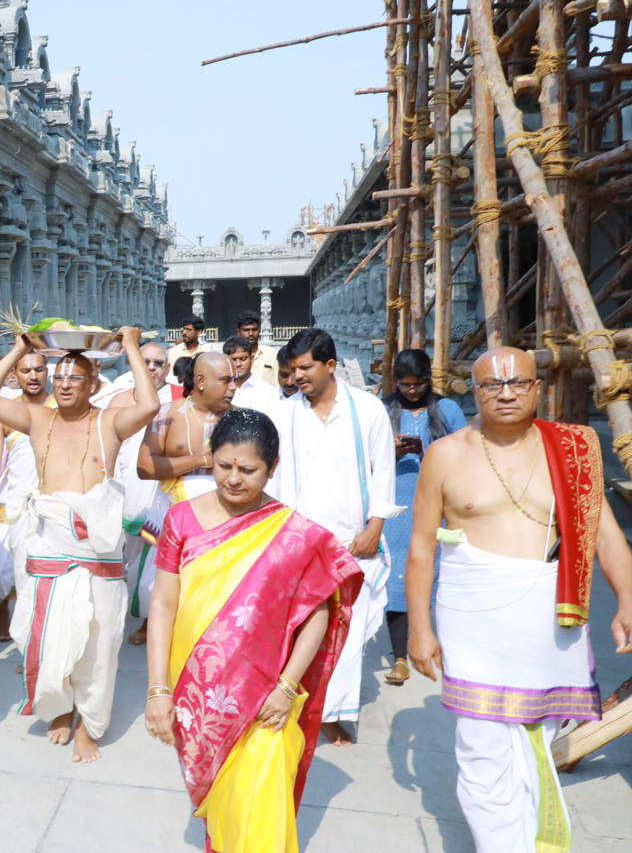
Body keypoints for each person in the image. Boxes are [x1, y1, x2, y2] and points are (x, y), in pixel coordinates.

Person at [407, 347, 632, 853]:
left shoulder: (574, 448)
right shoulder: (446, 453)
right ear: (474, 390)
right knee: (482, 746)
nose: (505, 394)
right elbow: (422, 547)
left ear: (537, 388)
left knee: (536, 739)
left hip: (548, 618)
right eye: (491, 385)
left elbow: (604, 534)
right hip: (473, 619)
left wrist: (628, 599)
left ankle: (531, 838)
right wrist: (419, 630)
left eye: (517, 384)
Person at [145, 408, 362, 853]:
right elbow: (164, 605)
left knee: (257, 809)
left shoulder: (293, 533)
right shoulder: (181, 520)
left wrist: (287, 686)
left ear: (272, 469)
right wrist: (157, 691)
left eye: (248, 470)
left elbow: (316, 613)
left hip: (265, 697)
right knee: (222, 799)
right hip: (196, 691)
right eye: (223, 466)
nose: (233, 479)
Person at [0, 328, 159, 763]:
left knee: (100, 637)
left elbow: (149, 404)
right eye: (60, 377)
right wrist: (18, 351)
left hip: (98, 550)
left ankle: (89, 724)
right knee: (52, 633)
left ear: (93, 383)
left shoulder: (109, 421)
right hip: (49, 544)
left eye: (75, 377)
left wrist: (131, 346)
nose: (64, 384)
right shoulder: (37, 418)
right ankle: (61, 708)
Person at [269, 328, 401, 747]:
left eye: (306, 367)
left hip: (355, 542)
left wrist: (374, 527)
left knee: (350, 634)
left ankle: (330, 712)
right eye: (293, 369)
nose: (298, 376)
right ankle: (305, 708)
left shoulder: (367, 409)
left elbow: (384, 470)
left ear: (330, 365)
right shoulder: (284, 413)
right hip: (299, 544)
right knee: (302, 632)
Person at [379, 349, 466, 685]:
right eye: (405, 384)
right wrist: (392, 450)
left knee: (444, 575)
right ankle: (400, 656)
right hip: (397, 509)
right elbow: (368, 457)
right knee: (397, 577)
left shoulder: (448, 409)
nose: (412, 391)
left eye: (418, 385)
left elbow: (463, 455)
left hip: (440, 509)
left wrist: (426, 452)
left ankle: (441, 646)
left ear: (429, 379)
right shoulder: (384, 409)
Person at [97, 342, 173, 645]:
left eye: (158, 363)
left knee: (150, 568)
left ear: (167, 367)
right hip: (120, 490)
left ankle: (146, 621)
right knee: (118, 560)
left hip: (156, 496)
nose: (152, 368)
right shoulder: (116, 398)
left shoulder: (179, 399)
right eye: (146, 362)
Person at [0, 351, 50, 641]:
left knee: (47, 579)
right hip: (18, 508)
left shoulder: (61, 408)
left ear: (47, 372)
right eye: (25, 370)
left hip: (54, 507)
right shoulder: (4, 412)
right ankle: (25, 638)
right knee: (15, 572)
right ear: (13, 376)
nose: (33, 376)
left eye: (39, 369)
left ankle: (40, 641)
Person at [137, 352, 236, 504]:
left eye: (234, 380)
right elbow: (144, 467)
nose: (233, 387)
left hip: (224, 515)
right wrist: (201, 460)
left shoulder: (241, 419)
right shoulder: (167, 414)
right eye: (226, 381)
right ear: (201, 381)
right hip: (171, 513)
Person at [223, 334, 275, 414]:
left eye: (243, 359)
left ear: (252, 359)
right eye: (233, 360)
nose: (238, 364)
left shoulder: (268, 392)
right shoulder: (220, 391)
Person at [238, 310, 279, 387]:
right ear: (238, 332)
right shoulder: (233, 357)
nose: (251, 334)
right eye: (246, 330)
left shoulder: (272, 354)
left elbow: (278, 385)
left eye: (254, 330)